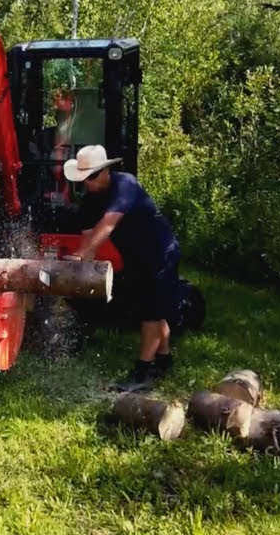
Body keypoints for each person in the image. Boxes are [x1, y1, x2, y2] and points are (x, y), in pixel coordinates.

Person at [63, 144, 181, 392]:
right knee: (152, 309)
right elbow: (87, 237)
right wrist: (80, 265)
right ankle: (164, 360)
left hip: (161, 252)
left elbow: (107, 226)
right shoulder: (88, 203)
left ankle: (142, 373)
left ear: (106, 171)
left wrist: (85, 254)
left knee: (151, 313)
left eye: (93, 176)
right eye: (85, 178)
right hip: (136, 258)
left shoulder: (125, 185)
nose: (89, 183)